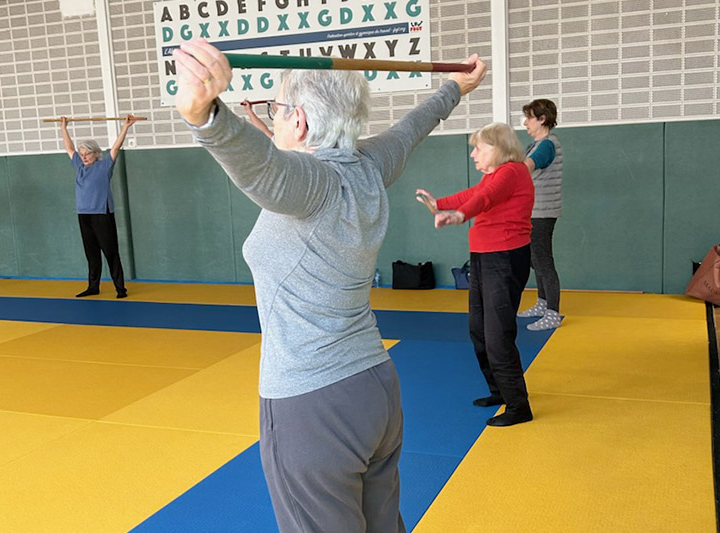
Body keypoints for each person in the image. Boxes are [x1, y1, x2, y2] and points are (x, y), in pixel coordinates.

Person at [171, 38, 486, 532]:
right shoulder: (369, 166)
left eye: (275, 109)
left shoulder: (313, 184)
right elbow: (410, 128)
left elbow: (261, 166)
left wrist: (205, 115)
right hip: (374, 388)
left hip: (314, 403)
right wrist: (454, 89)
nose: (272, 118)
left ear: (297, 121)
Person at [415, 122, 535, 428]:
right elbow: (474, 193)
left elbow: (485, 198)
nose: (473, 154)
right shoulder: (493, 175)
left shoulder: (512, 172)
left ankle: (519, 406)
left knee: (497, 335)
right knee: (478, 330)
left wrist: (459, 215)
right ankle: (500, 391)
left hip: (504, 259)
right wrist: (439, 204)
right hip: (484, 258)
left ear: (498, 148)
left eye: (478, 148)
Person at [59, 115, 135, 298]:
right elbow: (69, 148)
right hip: (83, 215)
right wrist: (63, 128)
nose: (84, 157)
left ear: (96, 153)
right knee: (91, 253)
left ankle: (120, 289)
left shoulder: (105, 166)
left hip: (102, 214)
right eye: (82, 154)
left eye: (87, 153)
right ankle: (93, 287)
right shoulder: (79, 166)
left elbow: (115, 147)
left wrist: (125, 127)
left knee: (110, 252)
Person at [517, 99, 564, 330]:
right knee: (535, 259)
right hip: (533, 211)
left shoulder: (547, 145)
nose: (525, 122)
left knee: (543, 261)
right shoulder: (534, 145)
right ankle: (543, 303)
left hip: (542, 212)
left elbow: (524, 168)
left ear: (542, 119)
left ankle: (553, 313)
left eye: (529, 118)